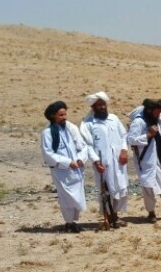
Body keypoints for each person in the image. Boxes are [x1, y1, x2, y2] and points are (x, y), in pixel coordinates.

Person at [79, 91, 129, 228]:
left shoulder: (113, 119)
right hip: (102, 163)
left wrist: (124, 150)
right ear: (93, 107)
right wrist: (96, 161)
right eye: (98, 105)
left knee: (120, 188)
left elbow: (124, 136)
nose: (102, 107)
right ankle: (108, 217)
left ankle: (115, 216)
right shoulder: (88, 124)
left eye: (103, 104)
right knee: (105, 190)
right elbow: (87, 145)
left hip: (119, 161)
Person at [40, 101, 89, 233]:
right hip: (61, 171)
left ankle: (73, 222)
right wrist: (67, 162)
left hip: (76, 169)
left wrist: (80, 159)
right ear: (52, 116)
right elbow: (48, 154)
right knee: (65, 196)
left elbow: (83, 146)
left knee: (77, 195)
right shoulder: (47, 133)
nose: (64, 117)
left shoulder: (71, 128)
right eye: (60, 115)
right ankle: (69, 223)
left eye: (65, 114)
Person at [127, 98, 161, 223]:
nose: (159, 114)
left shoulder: (159, 120)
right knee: (148, 186)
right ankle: (151, 213)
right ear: (149, 110)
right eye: (157, 111)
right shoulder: (139, 122)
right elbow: (131, 139)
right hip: (146, 159)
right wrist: (148, 135)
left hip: (160, 157)